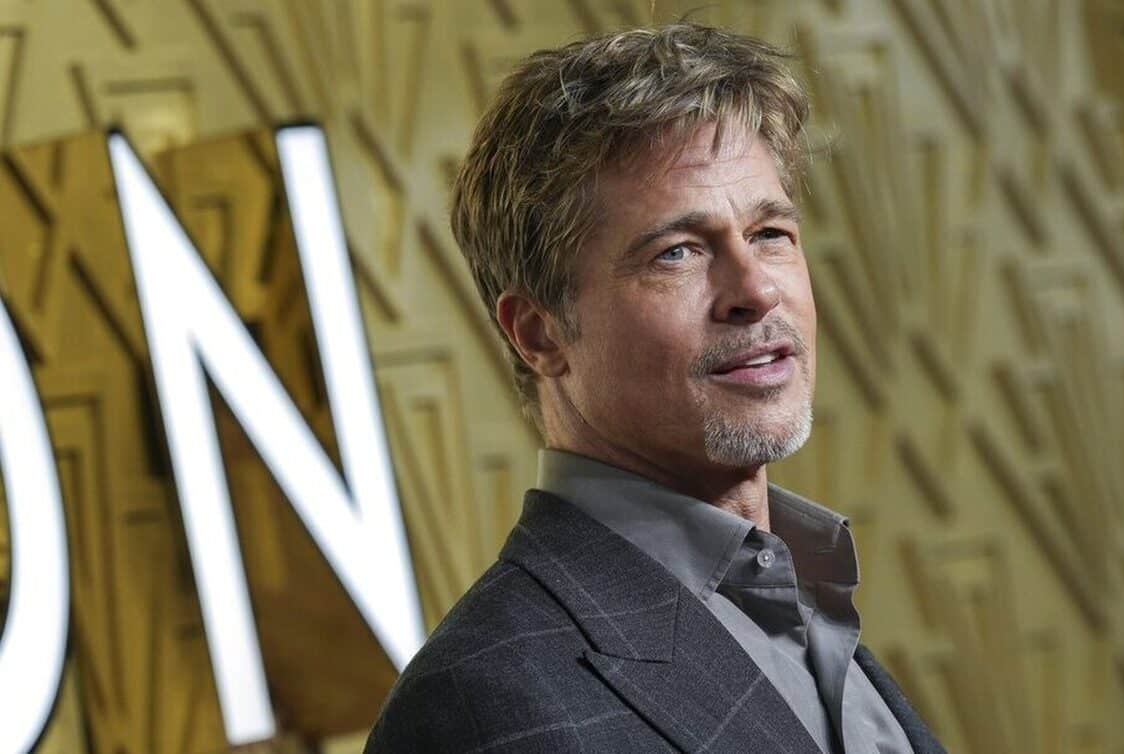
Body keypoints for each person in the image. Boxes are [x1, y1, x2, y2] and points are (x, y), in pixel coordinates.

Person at [365, 23, 945, 754]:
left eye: (769, 234)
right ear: (540, 334)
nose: (756, 290)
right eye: (678, 252)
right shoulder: (480, 704)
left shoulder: (805, 604)